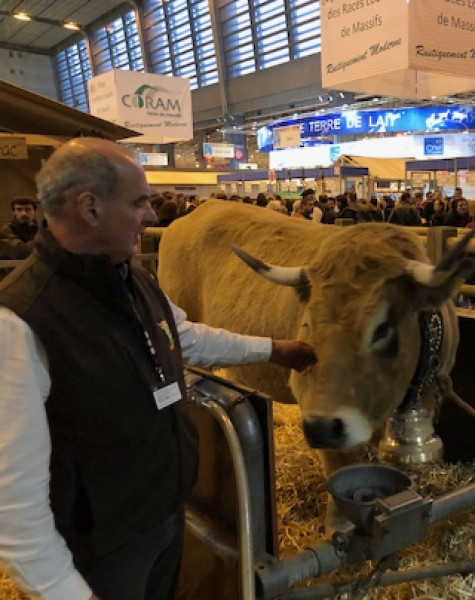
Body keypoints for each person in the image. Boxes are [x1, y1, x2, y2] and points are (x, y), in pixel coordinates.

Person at [0, 137, 317, 600]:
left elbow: (185, 337)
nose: (152, 216)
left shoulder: (133, 279)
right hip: (101, 553)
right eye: (139, 203)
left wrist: (274, 349)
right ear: (90, 208)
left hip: (166, 517)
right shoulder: (21, 321)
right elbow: (15, 503)